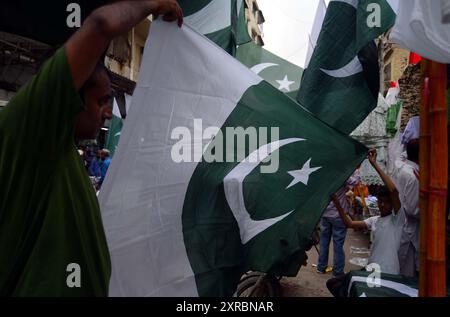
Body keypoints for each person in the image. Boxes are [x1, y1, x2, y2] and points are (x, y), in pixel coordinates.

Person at [0, 0, 183, 296]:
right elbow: (101, 25)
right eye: (101, 101)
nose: (108, 113)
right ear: (67, 96)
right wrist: (153, 4)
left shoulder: (60, 150)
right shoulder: (30, 129)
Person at [335, 149, 404, 275]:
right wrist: (336, 202)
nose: (382, 204)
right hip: (373, 270)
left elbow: (393, 191)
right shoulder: (375, 220)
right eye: (380, 201)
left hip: (390, 272)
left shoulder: (397, 219)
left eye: (386, 202)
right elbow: (349, 224)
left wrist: (374, 164)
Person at [317, 169, 361, 277]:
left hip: (325, 213)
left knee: (323, 241)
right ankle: (337, 272)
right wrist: (354, 171)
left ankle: (321, 267)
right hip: (339, 215)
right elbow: (356, 182)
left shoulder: (325, 173)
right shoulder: (342, 174)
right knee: (338, 244)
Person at [394, 139, 420, 277]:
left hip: (401, 225)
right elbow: (412, 209)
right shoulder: (413, 176)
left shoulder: (401, 167)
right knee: (406, 271)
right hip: (409, 229)